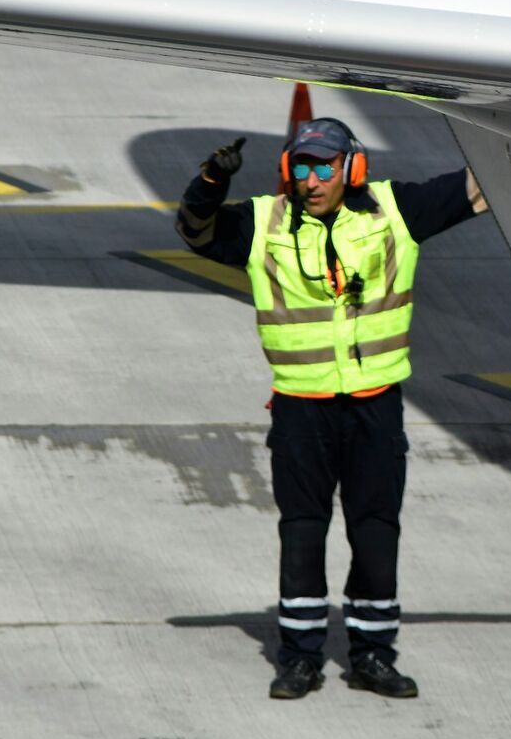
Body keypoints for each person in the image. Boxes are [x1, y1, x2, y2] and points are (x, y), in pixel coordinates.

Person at [176, 118, 488, 699]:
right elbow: (196, 232)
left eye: (324, 168)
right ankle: (299, 657)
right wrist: (211, 180)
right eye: (301, 167)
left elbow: (485, 186)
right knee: (303, 531)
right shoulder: (264, 222)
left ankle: (372, 654)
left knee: (375, 531)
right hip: (301, 409)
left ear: (353, 168)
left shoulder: (395, 212)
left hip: (375, 407)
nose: (312, 181)